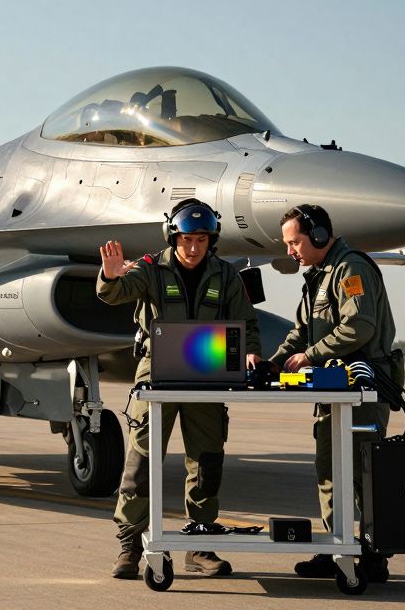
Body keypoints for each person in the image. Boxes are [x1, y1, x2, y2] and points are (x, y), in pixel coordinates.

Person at [97, 199, 262, 580]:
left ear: (211, 240)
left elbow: (247, 324)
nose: (193, 248)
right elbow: (114, 293)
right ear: (174, 237)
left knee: (206, 463)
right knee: (141, 463)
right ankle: (129, 546)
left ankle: (200, 546)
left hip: (208, 375)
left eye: (201, 239)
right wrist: (109, 275)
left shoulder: (226, 276)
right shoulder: (152, 269)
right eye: (187, 239)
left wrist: (251, 353)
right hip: (157, 374)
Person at [268, 204, 403, 582]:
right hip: (333, 389)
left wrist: (308, 357)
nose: (290, 251)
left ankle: (374, 557)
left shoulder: (351, 270)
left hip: (362, 389)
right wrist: (273, 363)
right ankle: (334, 547)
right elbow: (300, 330)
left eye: (295, 243)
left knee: (362, 474)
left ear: (319, 236)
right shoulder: (318, 277)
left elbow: (358, 327)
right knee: (329, 471)